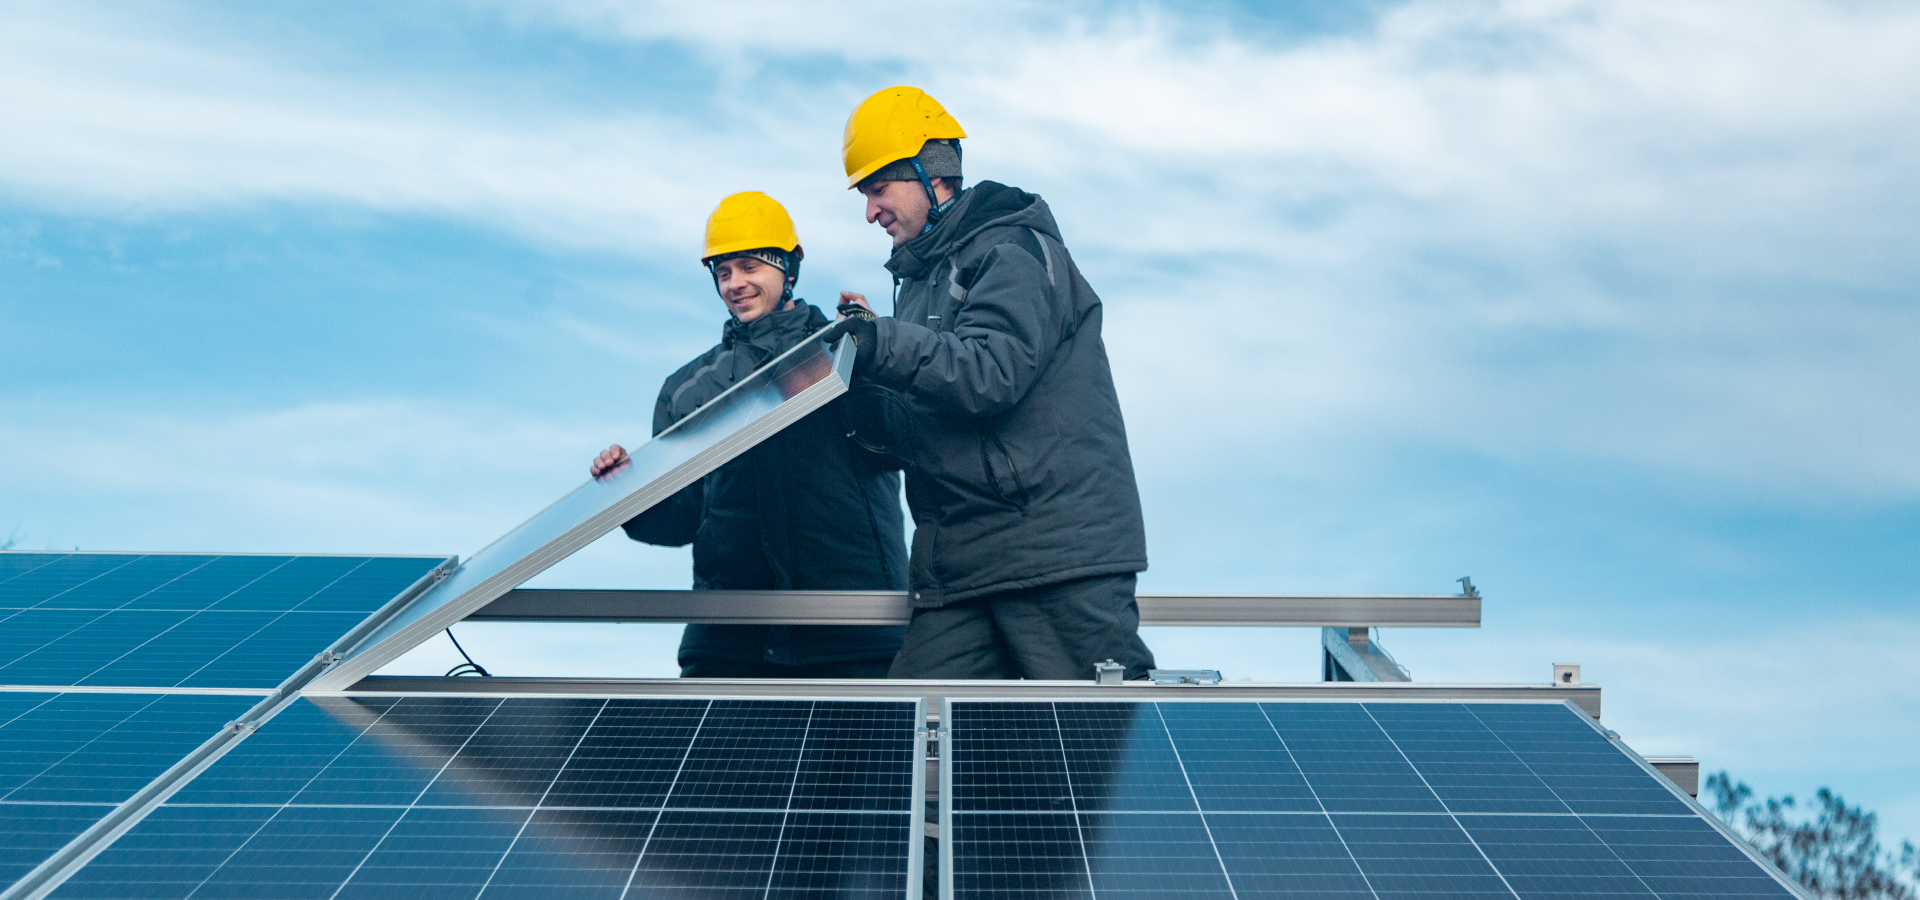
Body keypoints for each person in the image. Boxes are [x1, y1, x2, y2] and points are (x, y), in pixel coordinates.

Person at [824, 86, 1156, 681]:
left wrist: (883, 341)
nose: (870, 212)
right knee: (913, 740)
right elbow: (918, 423)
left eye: (878, 189)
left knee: (1102, 754)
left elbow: (989, 373)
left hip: (1055, 557)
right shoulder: (920, 284)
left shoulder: (1014, 249)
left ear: (931, 171)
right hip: (959, 568)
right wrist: (852, 384)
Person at [590, 191, 907, 678]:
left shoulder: (846, 351)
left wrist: (882, 349)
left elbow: (899, 443)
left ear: (789, 267)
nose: (735, 284)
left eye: (749, 267)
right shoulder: (690, 389)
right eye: (723, 272)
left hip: (854, 636)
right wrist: (630, 489)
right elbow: (679, 519)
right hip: (729, 646)